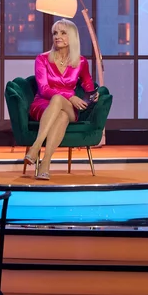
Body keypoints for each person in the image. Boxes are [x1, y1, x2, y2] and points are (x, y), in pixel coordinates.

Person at [25, 19, 98, 180]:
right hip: (43, 104)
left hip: (68, 106)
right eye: (55, 33)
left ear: (72, 37)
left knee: (61, 103)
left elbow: (88, 84)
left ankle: (36, 147)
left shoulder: (81, 62)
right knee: (62, 113)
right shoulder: (42, 59)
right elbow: (44, 89)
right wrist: (70, 96)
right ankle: (45, 163)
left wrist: (93, 93)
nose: (57, 36)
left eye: (63, 33)